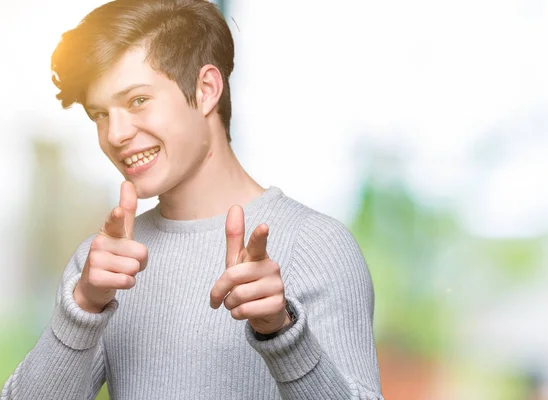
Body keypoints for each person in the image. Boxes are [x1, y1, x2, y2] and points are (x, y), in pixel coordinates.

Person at [1, 1, 383, 399]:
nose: (114, 135)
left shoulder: (316, 245)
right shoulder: (106, 265)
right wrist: (82, 307)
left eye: (136, 101)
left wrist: (282, 332)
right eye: (99, 113)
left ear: (206, 90)